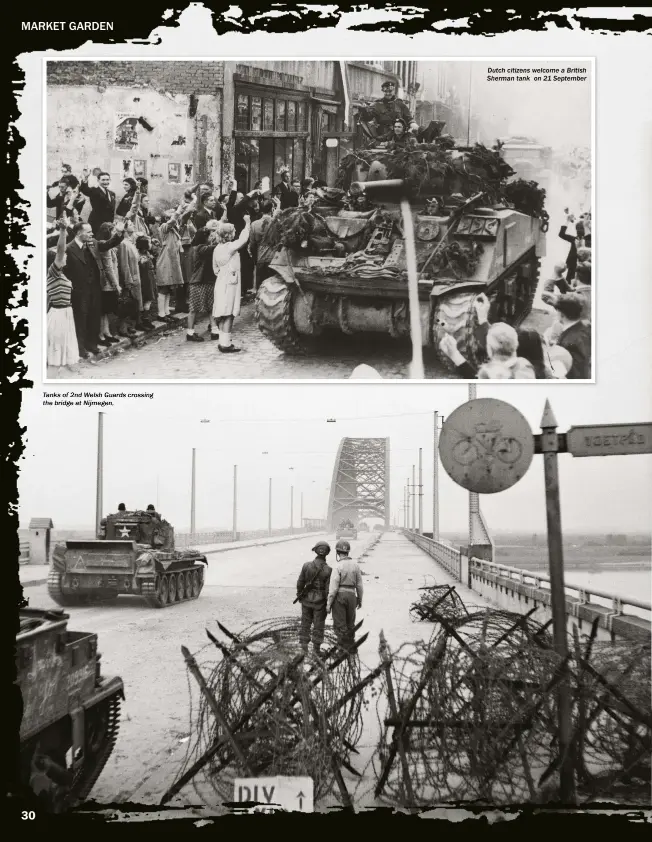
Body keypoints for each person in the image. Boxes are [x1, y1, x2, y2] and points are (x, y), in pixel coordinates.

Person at [64, 221, 125, 358]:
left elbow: (108, 243)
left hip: (95, 288)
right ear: (79, 233)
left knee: (94, 317)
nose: (92, 234)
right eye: (88, 231)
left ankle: (92, 344)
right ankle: (80, 348)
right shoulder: (69, 248)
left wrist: (119, 233)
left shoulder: (93, 244)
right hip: (79, 291)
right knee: (80, 319)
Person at [211, 216, 251, 352]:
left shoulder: (217, 248)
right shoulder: (229, 247)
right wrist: (247, 224)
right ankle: (226, 344)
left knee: (222, 312)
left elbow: (215, 269)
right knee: (229, 314)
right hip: (230, 283)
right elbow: (244, 239)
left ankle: (223, 340)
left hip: (220, 281)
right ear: (229, 234)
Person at [46, 218, 79, 375]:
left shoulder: (60, 275)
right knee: (55, 358)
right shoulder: (53, 273)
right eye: (61, 256)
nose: (65, 256)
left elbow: (62, 251)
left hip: (66, 314)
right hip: (58, 316)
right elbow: (60, 250)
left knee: (66, 356)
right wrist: (63, 231)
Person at [326, 540, 363, 655]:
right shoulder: (355, 565)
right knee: (350, 623)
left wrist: (329, 604)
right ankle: (352, 647)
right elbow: (359, 585)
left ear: (337, 552)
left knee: (340, 624)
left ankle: (342, 650)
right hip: (352, 595)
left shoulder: (337, 566)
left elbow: (333, 588)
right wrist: (360, 599)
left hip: (340, 596)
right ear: (348, 552)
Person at [296, 541, 333, 656]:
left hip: (306, 600)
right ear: (327, 553)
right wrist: (328, 604)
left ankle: (303, 649)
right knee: (318, 625)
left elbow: (300, 582)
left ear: (315, 551)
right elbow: (328, 590)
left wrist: (300, 594)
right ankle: (316, 651)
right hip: (320, 602)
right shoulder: (329, 570)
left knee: (305, 623)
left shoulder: (306, 565)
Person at [187, 219, 219, 342]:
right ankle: (190, 333)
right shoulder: (200, 248)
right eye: (210, 236)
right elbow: (213, 249)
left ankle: (215, 330)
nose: (212, 237)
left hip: (207, 281)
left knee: (211, 307)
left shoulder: (200, 247)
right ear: (204, 238)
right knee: (194, 309)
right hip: (198, 282)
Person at [551, 293, 591, 379]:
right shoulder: (585, 327)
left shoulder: (569, 341)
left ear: (561, 314)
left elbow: (573, 373)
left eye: (556, 311)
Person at [96, 221, 123, 344]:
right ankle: (101, 335)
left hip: (110, 283)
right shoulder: (104, 247)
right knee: (103, 310)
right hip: (107, 284)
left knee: (106, 311)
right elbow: (108, 268)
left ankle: (106, 332)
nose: (114, 234)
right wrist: (116, 284)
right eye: (112, 231)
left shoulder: (109, 247)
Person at [248, 199, 275, 289]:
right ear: (272, 209)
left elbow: (252, 244)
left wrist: (255, 258)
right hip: (274, 257)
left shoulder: (254, 224)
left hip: (261, 257)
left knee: (261, 286)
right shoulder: (277, 223)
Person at [79, 170, 117, 234]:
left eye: (107, 180)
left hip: (108, 224)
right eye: (103, 180)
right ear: (98, 180)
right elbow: (84, 189)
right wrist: (85, 178)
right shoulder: (94, 191)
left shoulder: (112, 193)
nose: (105, 182)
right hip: (96, 223)